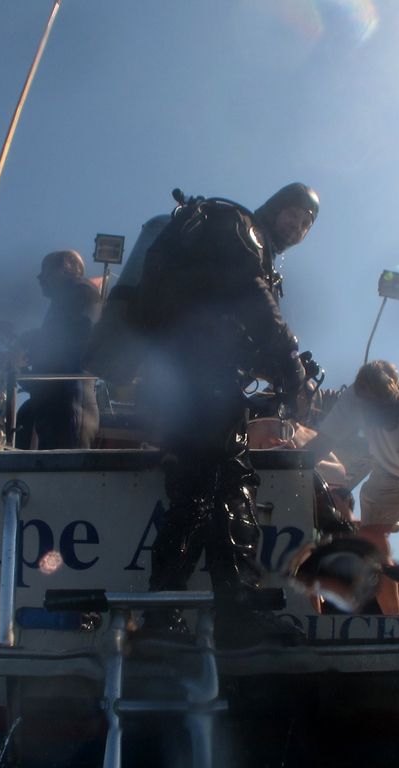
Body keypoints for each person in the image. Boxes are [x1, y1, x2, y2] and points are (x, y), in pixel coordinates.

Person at [132, 183, 319, 645]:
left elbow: (240, 324)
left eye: (306, 224)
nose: (297, 228)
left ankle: (179, 614)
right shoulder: (238, 228)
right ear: (275, 208)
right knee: (221, 485)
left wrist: (282, 367)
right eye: (293, 215)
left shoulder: (249, 248)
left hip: (194, 377)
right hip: (200, 377)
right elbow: (252, 299)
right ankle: (221, 614)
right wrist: (292, 367)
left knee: (210, 488)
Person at [302, 361, 399, 615]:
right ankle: (393, 621)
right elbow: (321, 445)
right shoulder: (352, 400)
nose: (385, 423)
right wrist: (287, 466)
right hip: (389, 468)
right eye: (376, 415)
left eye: (388, 411)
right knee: (371, 537)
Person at [14, 250, 102, 450]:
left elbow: (76, 336)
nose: (40, 276)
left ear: (66, 267)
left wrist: (25, 341)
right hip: (54, 415)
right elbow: (45, 377)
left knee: (66, 463)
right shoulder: (61, 306)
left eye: (45, 268)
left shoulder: (82, 291)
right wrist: (18, 369)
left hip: (70, 411)